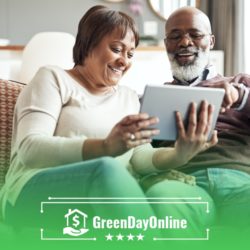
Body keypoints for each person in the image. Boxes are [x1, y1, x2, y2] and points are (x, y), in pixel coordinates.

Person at [0, 5, 216, 234]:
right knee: (105, 168)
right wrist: (105, 147)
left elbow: (139, 158)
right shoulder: (53, 78)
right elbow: (29, 148)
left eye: (130, 54)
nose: (124, 61)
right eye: (116, 49)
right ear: (88, 43)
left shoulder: (129, 98)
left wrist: (179, 154)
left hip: (102, 195)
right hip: (31, 193)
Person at [157, 6, 250, 230]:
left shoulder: (241, 82)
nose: (184, 42)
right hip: (183, 180)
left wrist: (239, 95)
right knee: (164, 195)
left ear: (211, 40)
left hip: (240, 179)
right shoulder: (154, 96)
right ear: (166, 44)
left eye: (195, 34)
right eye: (175, 36)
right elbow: (143, 154)